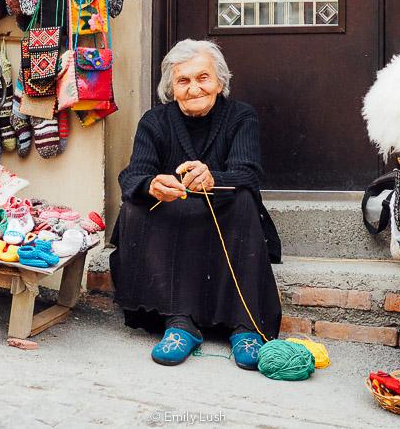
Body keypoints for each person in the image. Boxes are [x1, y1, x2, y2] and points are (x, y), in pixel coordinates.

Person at [110, 39, 282, 370]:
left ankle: (245, 324)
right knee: (136, 204)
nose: (193, 88)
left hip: (225, 214)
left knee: (244, 199)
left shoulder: (240, 116)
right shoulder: (154, 121)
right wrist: (153, 185)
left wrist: (213, 178)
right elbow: (133, 176)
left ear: (219, 81)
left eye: (202, 77)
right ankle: (179, 322)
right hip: (173, 218)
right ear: (171, 89)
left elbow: (247, 173)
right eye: (183, 81)